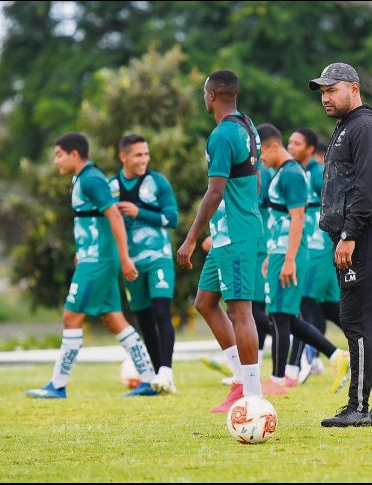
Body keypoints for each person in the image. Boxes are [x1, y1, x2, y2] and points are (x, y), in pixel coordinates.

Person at [27, 133, 157, 398]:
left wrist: (124, 259)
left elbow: (115, 218)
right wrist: (81, 250)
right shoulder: (84, 178)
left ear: (74, 154)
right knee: (114, 319)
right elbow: (91, 222)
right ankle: (148, 380)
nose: (56, 161)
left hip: (98, 261)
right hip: (93, 257)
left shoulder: (92, 179)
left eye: (59, 155)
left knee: (71, 317)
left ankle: (58, 385)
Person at [309, 62, 372, 427]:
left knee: (355, 319)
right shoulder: (346, 126)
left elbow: (368, 184)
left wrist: (348, 235)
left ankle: (358, 407)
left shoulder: (367, 126)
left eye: (332, 90)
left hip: (365, 233)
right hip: (357, 233)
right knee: (370, 322)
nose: (326, 98)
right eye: (323, 92)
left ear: (354, 88)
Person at [176, 70, 264, 413]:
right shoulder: (248, 126)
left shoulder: (222, 135)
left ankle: (253, 396)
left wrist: (191, 239)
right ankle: (240, 380)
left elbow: (215, 191)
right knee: (205, 302)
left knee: (240, 311)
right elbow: (254, 182)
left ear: (210, 95)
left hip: (237, 234)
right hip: (230, 232)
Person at [256, 123, 349, 393]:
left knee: (282, 316)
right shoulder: (283, 172)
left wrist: (288, 258)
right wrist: (273, 252)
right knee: (283, 315)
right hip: (279, 251)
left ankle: (278, 380)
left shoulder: (292, 175)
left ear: (273, 146)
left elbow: (298, 219)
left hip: (292, 253)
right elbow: (280, 218)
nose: (259, 159)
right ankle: (335, 355)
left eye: (261, 153)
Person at [110, 134, 179, 394]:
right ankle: (152, 378)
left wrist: (140, 213)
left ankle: (166, 372)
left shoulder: (157, 182)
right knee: (144, 318)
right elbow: (105, 224)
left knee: (162, 311)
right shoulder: (111, 187)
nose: (144, 159)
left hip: (158, 257)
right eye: (138, 155)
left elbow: (172, 218)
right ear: (123, 157)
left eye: (146, 154)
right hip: (131, 264)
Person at [286, 127, 342, 384]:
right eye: (290, 142)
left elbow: (336, 202)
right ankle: (365, 345)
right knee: (329, 309)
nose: (291, 147)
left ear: (310, 149)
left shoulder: (318, 174)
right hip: (306, 248)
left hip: (319, 249)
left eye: (297, 143)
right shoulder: (293, 173)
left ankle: (295, 367)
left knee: (304, 303)